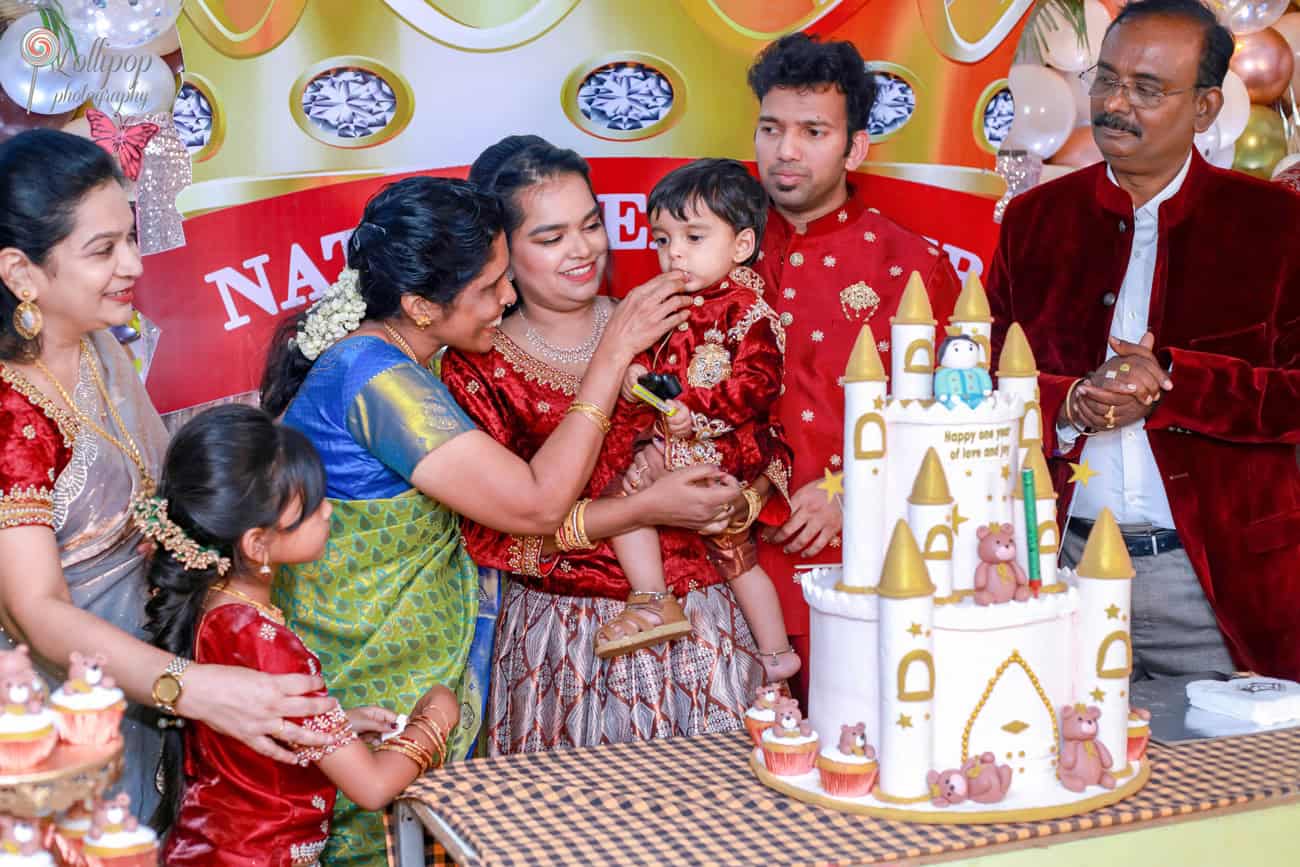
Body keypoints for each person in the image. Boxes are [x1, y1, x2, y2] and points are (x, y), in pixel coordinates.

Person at [260, 175, 690, 862]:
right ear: (421, 306)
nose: (508, 299)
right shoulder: (378, 381)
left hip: (413, 688)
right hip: (371, 689)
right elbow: (536, 505)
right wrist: (610, 357)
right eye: (489, 288)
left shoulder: (405, 359)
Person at [0, 130, 335, 819]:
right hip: (65, 713)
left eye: (130, 238)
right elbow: (35, 610)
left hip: (150, 669)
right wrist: (195, 687)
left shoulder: (97, 345)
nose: (132, 265)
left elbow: (157, 494)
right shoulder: (12, 414)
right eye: (103, 250)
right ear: (21, 273)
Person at [624, 35, 962, 695]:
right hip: (705, 567)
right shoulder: (698, 245)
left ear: (854, 146)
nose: (785, 150)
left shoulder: (911, 265)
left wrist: (848, 490)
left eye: (813, 131)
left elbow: (947, 420)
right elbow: (642, 371)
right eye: (772, 128)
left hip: (851, 562)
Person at [986, 0, 1300, 680]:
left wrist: (1172, 383)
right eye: (1107, 79)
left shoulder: (1275, 226)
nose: (1115, 102)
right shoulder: (1035, 223)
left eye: (1148, 89)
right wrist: (1068, 400)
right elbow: (978, 374)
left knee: (1244, 783)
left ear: (1206, 108)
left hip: (1219, 585)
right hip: (1060, 572)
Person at [441, 136, 765, 755]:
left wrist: (733, 497)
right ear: (501, 255)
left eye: (591, 224)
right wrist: (643, 508)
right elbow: (496, 536)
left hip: (703, 622)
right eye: (551, 236)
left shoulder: (673, 320)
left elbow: (748, 427)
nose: (583, 249)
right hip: (567, 641)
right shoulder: (479, 369)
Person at [144, 405, 462, 865]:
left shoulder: (215, 608)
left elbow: (249, 737)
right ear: (257, 544)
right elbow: (371, 786)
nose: (328, 510)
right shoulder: (265, 641)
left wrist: (339, 727)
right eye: (312, 507)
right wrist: (435, 719)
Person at [598, 158, 798, 682]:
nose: (675, 253)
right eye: (663, 240)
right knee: (634, 496)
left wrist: (698, 413)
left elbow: (756, 387)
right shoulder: (669, 304)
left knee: (735, 553)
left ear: (741, 246)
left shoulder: (750, 313)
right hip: (674, 435)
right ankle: (655, 598)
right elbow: (657, 372)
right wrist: (635, 373)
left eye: (693, 236)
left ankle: (776, 656)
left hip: (726, 445)